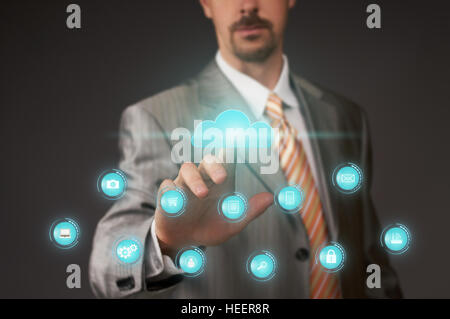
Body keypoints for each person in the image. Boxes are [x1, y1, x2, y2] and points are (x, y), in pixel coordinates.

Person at [89, 0, 402, 299]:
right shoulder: (156, 116)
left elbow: (369, 257)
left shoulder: (344, 116)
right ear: (206, 3)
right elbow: (107, 268)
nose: (248, 6)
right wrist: (167, 241)